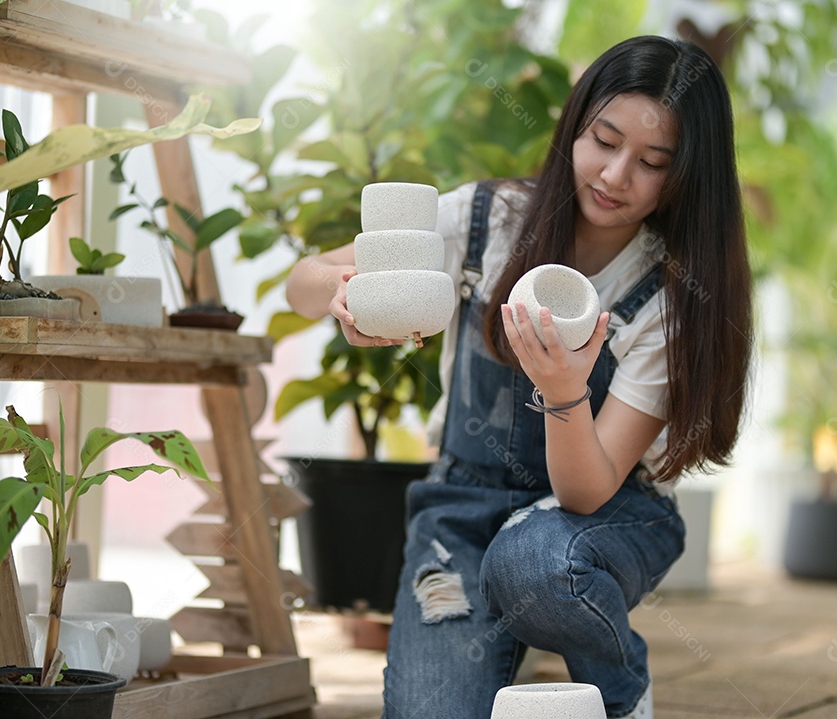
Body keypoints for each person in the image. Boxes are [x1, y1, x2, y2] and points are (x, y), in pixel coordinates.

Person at [286, 35, 753, 719]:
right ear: (575, 124)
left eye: (652, 162)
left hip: (602, 517)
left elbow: (586, 491)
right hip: (461, 511)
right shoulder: (486, 221)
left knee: (533, 563)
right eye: (604, 139)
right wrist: (341, 292)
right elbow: (301, 280)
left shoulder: (669, 297)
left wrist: (565, 391)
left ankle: (619, 691)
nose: (616, 174)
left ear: (685, 176)